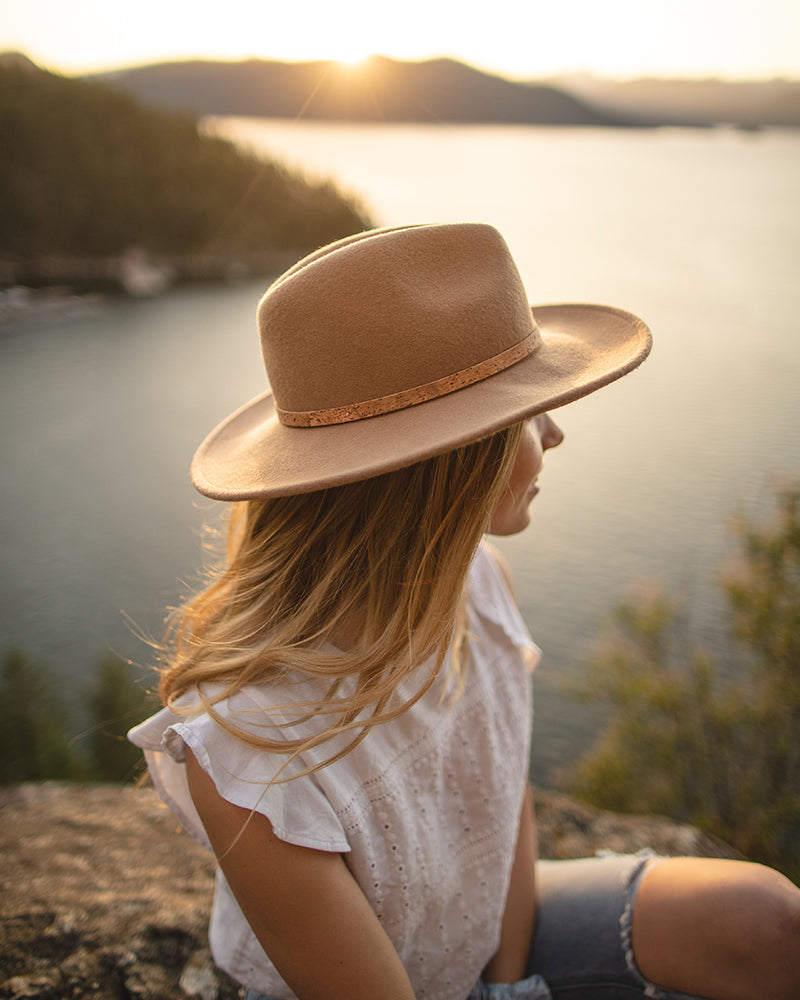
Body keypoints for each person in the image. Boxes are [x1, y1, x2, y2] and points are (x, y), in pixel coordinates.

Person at [129, 223, 800, 1000]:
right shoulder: (248, 749)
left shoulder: (481, 584)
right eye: (525, 413)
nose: (555, 430)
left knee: (771, 921)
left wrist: (514, 983)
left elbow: (498, 786)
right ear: (448, 465)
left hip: (481, 931)